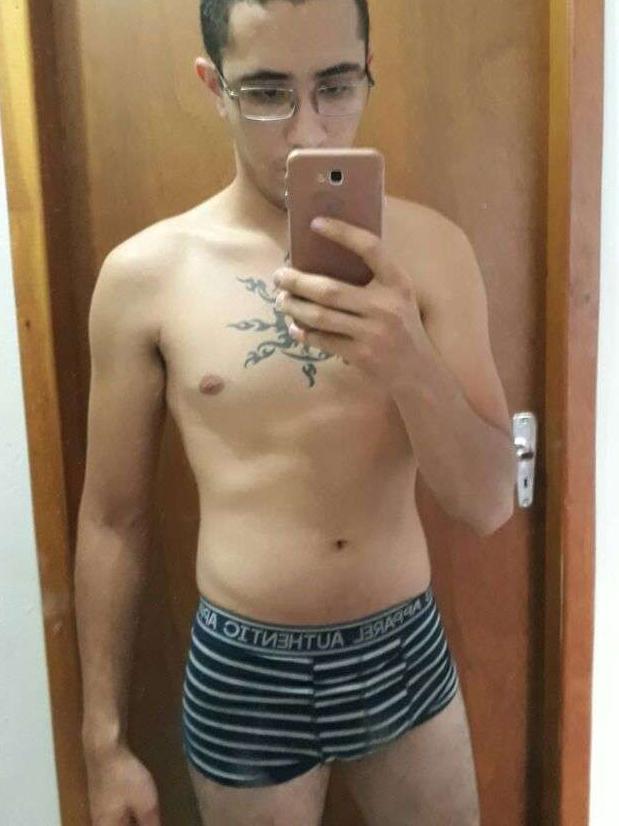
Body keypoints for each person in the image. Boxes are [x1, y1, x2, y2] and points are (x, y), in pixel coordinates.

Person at [75, 0, 516, 824]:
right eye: (268, 92)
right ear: (214, 86)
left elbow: (488, 502)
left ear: (368, 73)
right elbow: (112, 519)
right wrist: (103, 744)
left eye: (336, 86)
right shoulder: (147, 277)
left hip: (400, 649)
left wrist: (408, 362)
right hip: (244, 671)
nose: (308, 130)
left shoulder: (434, 252)